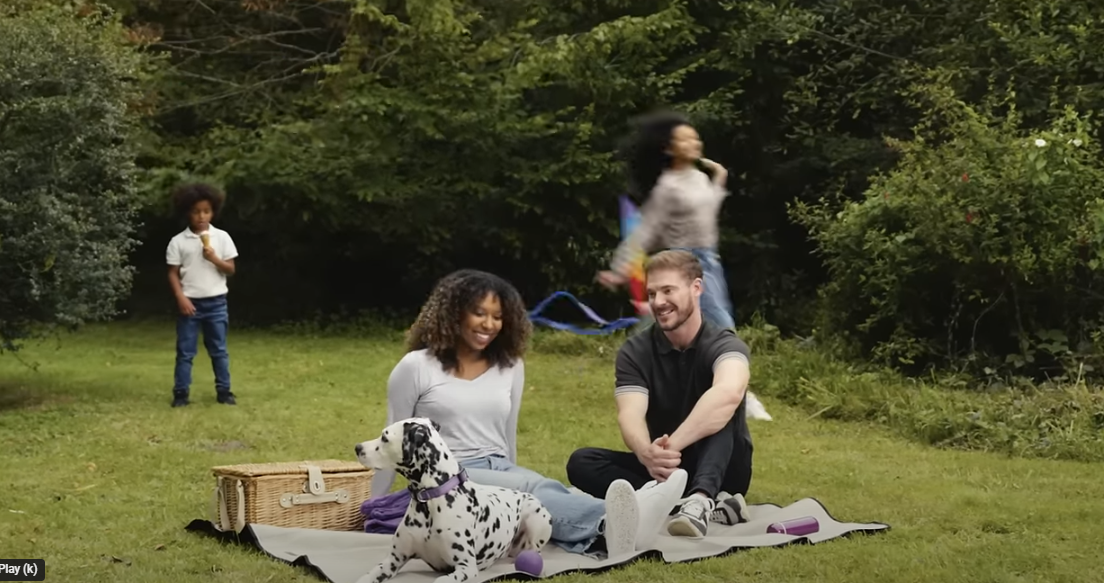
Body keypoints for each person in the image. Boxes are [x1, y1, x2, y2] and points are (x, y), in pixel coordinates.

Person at [368, 269, 687, 558]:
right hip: (448, 472)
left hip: (497, 463)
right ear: (453, 313)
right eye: (479, 313)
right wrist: (372, 504)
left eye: (497, 316)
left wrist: (509, 490)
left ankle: (625, 520)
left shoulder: (510, 366)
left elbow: (507, 435)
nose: (489, 325)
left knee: (540, 486)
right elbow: (392, 439)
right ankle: (612, 521)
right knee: (529, 489)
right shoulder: (416, 367)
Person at [595, 110, 771, 422]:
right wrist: (621, 269)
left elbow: (707, 213)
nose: (693, 143)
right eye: (684, 140)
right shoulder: (669, 187)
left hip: (709, 261)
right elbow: (646, 230)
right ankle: (740, 396)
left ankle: (638, 375)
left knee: (660, 325)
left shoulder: (699, 178)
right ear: (668, 148)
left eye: (694, 138)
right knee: (722, 326)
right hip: (684, 262)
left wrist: (719, 181)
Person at [567, 249, 754, 539]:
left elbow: (728, 392)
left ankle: (700, 500)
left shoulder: (725, 345)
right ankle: (677, 503)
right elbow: (630, 413)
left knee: (721, 407)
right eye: (652, 293)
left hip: (723, 467)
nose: (658, 302)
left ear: (696, 288)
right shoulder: (635, 351)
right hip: (665, 469)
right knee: (581, 462)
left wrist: (671, 447)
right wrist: (646, 453)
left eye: (668, 291)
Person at [165, 183, 239, 408]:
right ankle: (181, 393)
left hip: (217, 303)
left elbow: (230, 269)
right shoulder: (178, 241)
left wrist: (214, 258)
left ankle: (224, 391)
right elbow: (172, 273)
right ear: (187, 212)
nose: (201, 216)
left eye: (206, 211)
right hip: (190, 304)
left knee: (219, 350)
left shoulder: (222, 237)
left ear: (213, 212)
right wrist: (181, 298)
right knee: (185, 351)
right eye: (196, 211)